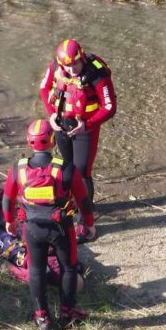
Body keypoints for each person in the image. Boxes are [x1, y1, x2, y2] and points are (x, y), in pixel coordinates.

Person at [2, 119, 96, 330]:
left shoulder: (18, 169)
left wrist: (9, 221)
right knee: (68, 268)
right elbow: (83, 201)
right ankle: (67, 313)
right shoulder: (65, 169)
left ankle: (42, 317)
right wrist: (88, 224)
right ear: (53, 141)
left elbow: (7, 199)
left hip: (32, 228)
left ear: (29, 142)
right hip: (60, 228)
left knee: (35, 269)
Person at [38, 38, 117, 225]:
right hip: (62, 123)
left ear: (81, 57)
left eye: (75, 64)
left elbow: (109, 106)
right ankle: (70, 204)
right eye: (67, 66)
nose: (72, 70)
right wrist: (51, 116)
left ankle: (85, 218)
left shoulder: (97, 75)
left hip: (86, 128)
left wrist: (87, 125)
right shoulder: (56, 68)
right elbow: (44, 89)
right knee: (66, 167)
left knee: (82, 172)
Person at [0, 180, 86, 292]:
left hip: (23, 255)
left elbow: (25, 275)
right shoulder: (74, 264)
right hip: (37, 235)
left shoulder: (48, 273)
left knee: (0, 236)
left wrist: (2, 263)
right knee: (12, 223)